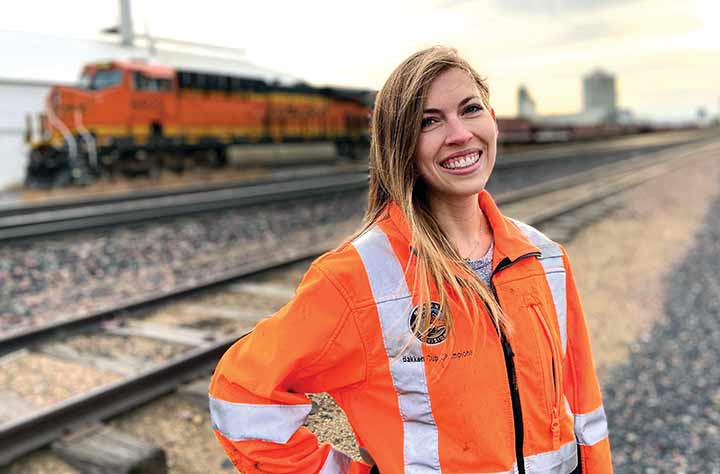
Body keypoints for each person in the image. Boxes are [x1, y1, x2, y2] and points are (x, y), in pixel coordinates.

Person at [209, 46, 612, 473]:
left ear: (492, 120)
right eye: (429, 121)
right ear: (400, 146)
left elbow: (583, 407)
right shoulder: (357, 279)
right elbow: (241, 392)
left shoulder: (545, 258)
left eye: (470, 109)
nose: (459, 133)